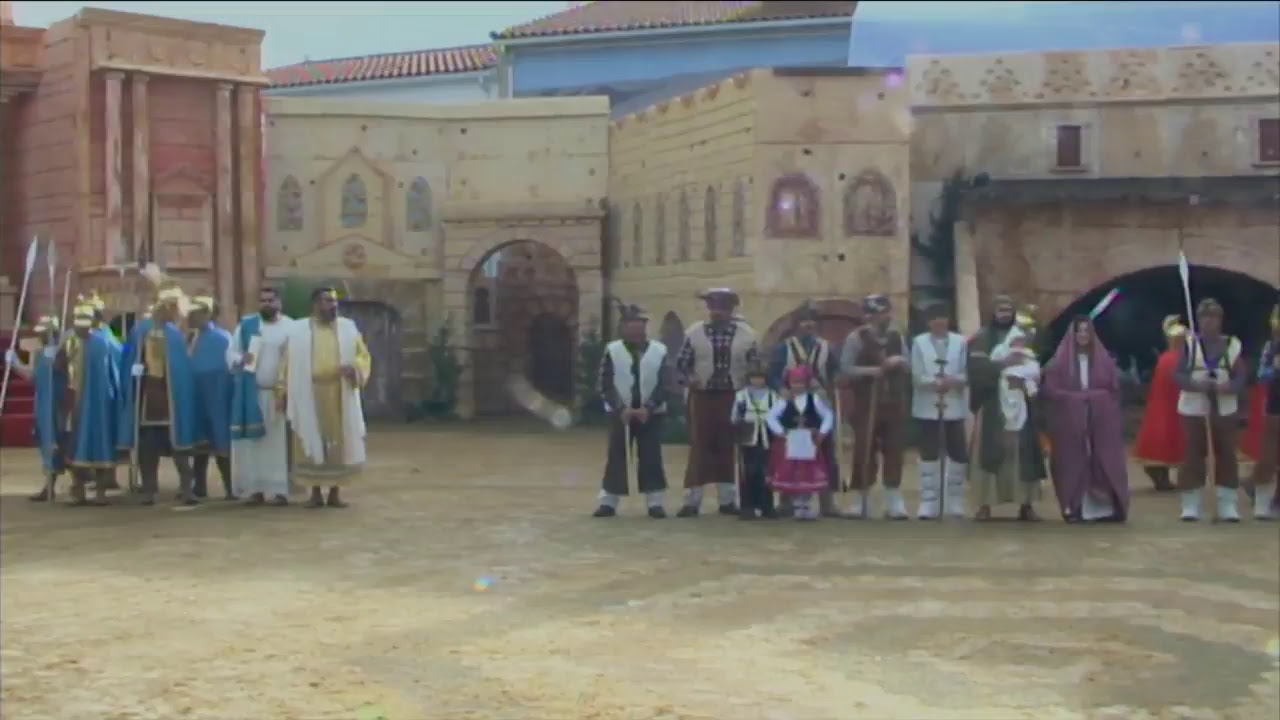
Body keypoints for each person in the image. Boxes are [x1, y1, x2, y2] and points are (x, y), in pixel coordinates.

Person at [277, 287, 372, 508]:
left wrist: (356, 368)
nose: (333, 305)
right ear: (316, 304)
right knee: (310, 439)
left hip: (338, 393)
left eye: (335, 301)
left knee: (338, 441)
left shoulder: (348, 328)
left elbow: (363, 355)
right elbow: (286, 364)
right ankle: (315, 492)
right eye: (328, 301)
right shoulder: (298, 330)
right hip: (308, 392)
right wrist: (281, 391)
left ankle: (335, 493)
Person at [117, 276, 203, 506]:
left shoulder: (174, 334)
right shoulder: (140, 330)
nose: (175, 314)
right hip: (147, 398)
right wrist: (134, 373)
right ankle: (148, 488)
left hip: (171, 399)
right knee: (148, 447)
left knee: (180, 447)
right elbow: (128, 355)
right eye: (172, 309)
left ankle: (187, 488)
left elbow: (181, 368)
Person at [674, 288, 758, 517]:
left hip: (733, 395)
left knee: (729, 446)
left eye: (722, 307)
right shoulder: (694, 332)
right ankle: (692, 500)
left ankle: (728, 500)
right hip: (702, 395)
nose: (717, 312)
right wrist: (689, 379)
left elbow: (756, 366)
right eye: (713, 307)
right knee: (699, 446)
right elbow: (681, 365)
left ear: (731, 309)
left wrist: (751, 390)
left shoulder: (747, 334)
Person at [967, 295, 1047, 521]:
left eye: (1008, 309)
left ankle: (1026, 504)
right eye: (1000, 309)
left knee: (1023, 453)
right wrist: (1001, 365)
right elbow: (975, 369)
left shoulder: (1024, 338)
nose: (1004, 314)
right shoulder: (982, 338)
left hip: (1020, 401)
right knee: (989, 451)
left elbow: (1034, 367)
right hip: (992, 404)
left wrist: (1024, 382)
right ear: (993, 312)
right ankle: (985, 504)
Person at [1042, 317, 1130, 522]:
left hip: (1100, 421)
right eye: (1078, 331)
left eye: (1086, 331)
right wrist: (1076, 400)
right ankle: (1076, 507)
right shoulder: (1058, 363)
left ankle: (1108, 508)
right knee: (1073, 462)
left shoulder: (1104, 362)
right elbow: (1050, 391)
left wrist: (1095, 400)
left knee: (1104, 460)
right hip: (1071, 423)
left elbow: (1113, 391)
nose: (1082, 335)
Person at [593, 303, 669, 519]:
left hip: (652, 413)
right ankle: (608, 501)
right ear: (623, 327)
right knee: (616, 455)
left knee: (651, 456)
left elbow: (666, 383)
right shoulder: (612, 350)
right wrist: (620, 408)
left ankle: (655, 501)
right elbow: (604, 383)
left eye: (639, 325)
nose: (635, 330)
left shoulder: (659, 350)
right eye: (630, 325)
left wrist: (650, 407)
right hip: (620, 413)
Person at [1174, 298, 1247, 522]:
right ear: (1198, 320)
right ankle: (1191, 504)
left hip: (1224, 409)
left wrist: (1229, 387)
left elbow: (1242, 377)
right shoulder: (1190, 344)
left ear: (1220, 320)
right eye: (1204, 317)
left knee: (1226, 455)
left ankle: (1227, 505)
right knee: (1193, 456)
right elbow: (1178, 375)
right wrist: (1197, 385)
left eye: (1213, 317)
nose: (1209, 322)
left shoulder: (1232, 345)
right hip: (1195, 409)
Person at [768, 300, 842, 517]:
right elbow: (772, 374)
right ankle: (786, 500)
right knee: (789, 453)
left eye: (811, 321)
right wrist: (782, 390)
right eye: (803, 321)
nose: (807, 325)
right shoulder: (784, 347)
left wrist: (836, 382)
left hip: (817, 403)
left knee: (824, 450)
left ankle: (827, 501)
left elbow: (835, 372)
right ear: (796, 324)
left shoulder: (827, 347)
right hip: (792, 403)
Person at [839, 294, 909, 519]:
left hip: (893, 401)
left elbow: (909, 364)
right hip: (866, 402)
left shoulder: (897, 336)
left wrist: (898, 361)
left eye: (884, 312)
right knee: (864, 449)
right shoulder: (856, 338)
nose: (882, 317)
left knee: (894, 449)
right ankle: (861, 499)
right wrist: (872, 372)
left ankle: (893, 500)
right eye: (877, 313)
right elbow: (846, 368)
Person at [226, 286, 293, 506]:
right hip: (251, 393)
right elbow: (230, 353)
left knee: (277, 444)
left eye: (271, 300)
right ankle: (255, 489)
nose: (266, 304)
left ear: (279, 302)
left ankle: (279, 489)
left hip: (279, 394)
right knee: (254, 444)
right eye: (263, 300)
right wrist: (240, 358)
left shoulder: (290, 327)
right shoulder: (247, 325)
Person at [57, 301, 122, 506]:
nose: (78, 326)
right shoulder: (76, 341)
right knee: (76, 445)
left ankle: (101, 491)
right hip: (78, 400)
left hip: (99, 402)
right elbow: (62, 367)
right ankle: (79, 490)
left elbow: (112, 369)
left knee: (99, 443)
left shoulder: (102, 342)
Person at [909, 301, 969, 519]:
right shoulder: (919, 343)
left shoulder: (960, 342)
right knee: (929, 452)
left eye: (942, 318)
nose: (939, 322)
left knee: (958, 452)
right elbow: (916, 374)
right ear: (928, 322)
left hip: (953, 402)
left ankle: (954, 500)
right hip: (927, 403)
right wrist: (934, 383)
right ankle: (929, 502)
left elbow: (966, 372)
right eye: (934, 318)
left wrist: (953, 381)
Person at [6, 316, 68, 502]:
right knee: (46, 441)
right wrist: (15, 363)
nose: (40, 335)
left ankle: (62, 483)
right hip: (42, 401)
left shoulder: (61, 351)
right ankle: (49, 484)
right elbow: (32, 376)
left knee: (57, 440)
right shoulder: (40, 353)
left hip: (57, 401)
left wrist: (58, 355)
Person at [765, 366, 835, 521]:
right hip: (791, 441)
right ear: (789, 384)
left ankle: (805, 504)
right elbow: (771, 417)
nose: (798, 386)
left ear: (807, 383)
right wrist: (781, 432)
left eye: (801, 382)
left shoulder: (814, 399)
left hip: (809, 441)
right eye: (794, 383)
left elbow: (828, 416)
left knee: (807, 472)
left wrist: (822, 433)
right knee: (792, 472)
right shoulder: (784, 401)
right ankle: (796, 505)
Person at [186, 296, 235, 500]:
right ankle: (200, 485)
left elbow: (231, 368)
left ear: (207, 314)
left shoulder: (223, 338)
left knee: (222, 440)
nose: (192, 317)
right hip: (197, 396)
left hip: (218, 397)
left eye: (197, 313)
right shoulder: (192, 339)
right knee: (200, 443)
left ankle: (231, 487)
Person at [1133, 315, 1189, 492]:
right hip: (1172, 407)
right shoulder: (1174, 359)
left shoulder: (1169, 358)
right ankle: (1163, 476)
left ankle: (1166, 476)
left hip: (1171, 406)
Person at [731, 362, 780, 520]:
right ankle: (747, 506)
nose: (757, 381)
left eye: (760, 378)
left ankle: (767, 506)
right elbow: (735, 416)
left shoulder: (773, 395)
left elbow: (778, 414)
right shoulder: (742, 395)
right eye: (754, 378)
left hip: (767, 436)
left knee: (766, 472)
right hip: (748, 437)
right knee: (749, 472)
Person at [1245, 302, 1279, 519]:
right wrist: (1274, 368)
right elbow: (1261, 376)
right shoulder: (1272, 347)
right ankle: (1260, 498)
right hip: (1276, 407)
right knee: (1268, 457)